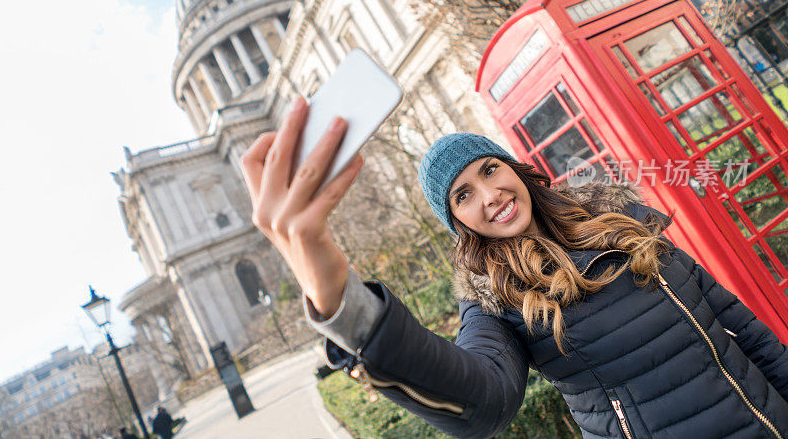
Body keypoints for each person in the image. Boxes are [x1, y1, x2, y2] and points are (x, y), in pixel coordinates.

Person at [239, 100, 788, 438]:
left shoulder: (619, 218)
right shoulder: (494, 301)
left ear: (514, 168)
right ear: (458, 222)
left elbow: (735, 324)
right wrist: (346, 306)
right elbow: (484, 403)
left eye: (490, 168)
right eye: (463, 195)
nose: (491, 194)